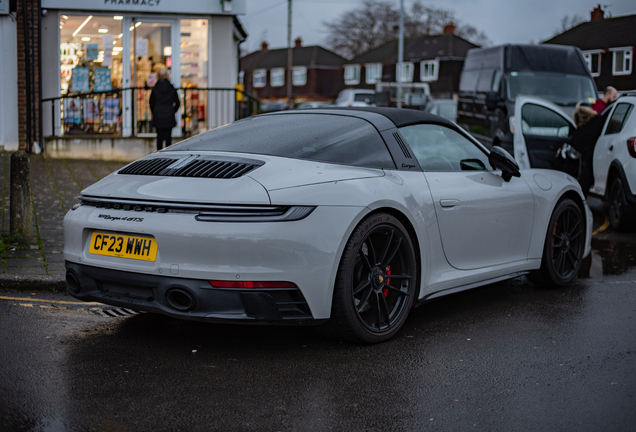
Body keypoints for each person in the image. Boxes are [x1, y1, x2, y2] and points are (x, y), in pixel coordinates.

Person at [570, 103, 608, 195]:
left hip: (590, 163)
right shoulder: (601, 120)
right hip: (604, 155)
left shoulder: (579, 133)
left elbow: (575, 144)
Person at [149, 68, 180, 150]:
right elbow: (177, 102)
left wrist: (155, 111)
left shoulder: (155, 89)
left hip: (158, 115)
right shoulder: (171, 88)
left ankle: (159, 157)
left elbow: (151, 103)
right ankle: (168, 157)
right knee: (168, 138)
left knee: (159, 137)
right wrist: (172, 110)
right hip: (169, 115)